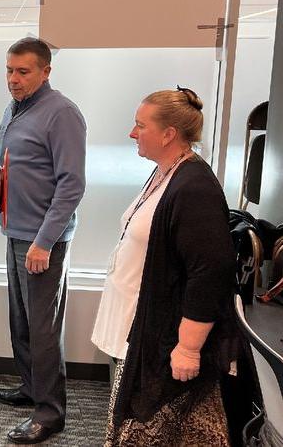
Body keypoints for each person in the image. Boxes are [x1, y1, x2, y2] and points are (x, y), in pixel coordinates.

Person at [91, 87, 238, 445]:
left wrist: (188, 348)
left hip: (166, 342)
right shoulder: (166, 172)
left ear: (169, 134)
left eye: (140, 125)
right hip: (139, 332)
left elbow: (209, 272)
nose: (132, 133)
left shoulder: (194, 186)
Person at [0, 37, 87, 444]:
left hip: (42, 241)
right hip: (16, 232)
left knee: (44, 328)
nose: (13, 79)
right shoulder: (16, 109)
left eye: (23, 71)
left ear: (46, 71)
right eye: (10, 70)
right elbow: (10, 168)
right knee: (22, 321)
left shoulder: (61, 113)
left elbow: (71, 185)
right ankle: (31, 388)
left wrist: (45, 242)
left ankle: (50, 413)